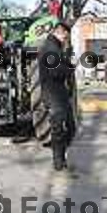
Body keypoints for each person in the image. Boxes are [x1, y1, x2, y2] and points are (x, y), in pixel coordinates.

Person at [38, 20, 76, 170]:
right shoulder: (50, 48)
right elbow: (55, 71)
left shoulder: (55, 47)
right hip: (53, 94)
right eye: (66, 35)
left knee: (70, 128)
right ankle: (59, 161)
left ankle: (60, 156)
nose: (67, 38)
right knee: (59, 128)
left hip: (59, 93)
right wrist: (70, 67)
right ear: (62, 32)